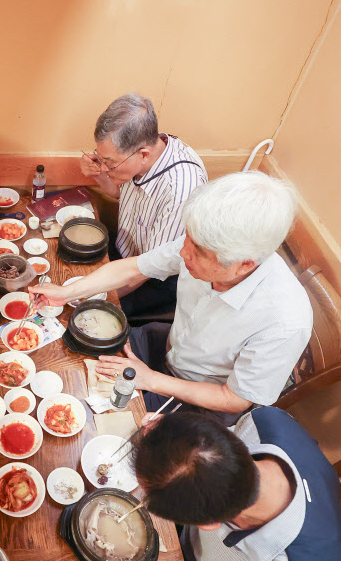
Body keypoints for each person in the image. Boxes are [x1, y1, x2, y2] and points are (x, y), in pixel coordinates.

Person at [32, 172, 313, 424]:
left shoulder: (285, 320)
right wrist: (65, 292)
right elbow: (133, 267)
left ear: (244, 264)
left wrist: (150, 380)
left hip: (199, 399)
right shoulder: (204, 241)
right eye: (187, 239)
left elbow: (234, 398)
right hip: (167, 346)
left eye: (198, 250)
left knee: (101, 425)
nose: (183, 252)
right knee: (69, 362)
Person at [130, 408, 341, 561]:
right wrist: (174, 440)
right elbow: (198, 461)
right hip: (193, 518)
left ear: (208, 525)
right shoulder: (266, 420)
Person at [81, 93, 207, 318]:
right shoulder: (144, 151)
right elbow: (122, 194)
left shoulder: (180, 188)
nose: (106, 166)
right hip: (124, 251)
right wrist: (99, 174)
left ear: (144, 155)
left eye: (109, 162)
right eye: (101, 159)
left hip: (155, 280)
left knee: (87, 315)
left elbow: (151, 267)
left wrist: (97, 296)